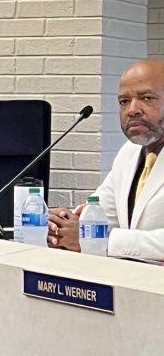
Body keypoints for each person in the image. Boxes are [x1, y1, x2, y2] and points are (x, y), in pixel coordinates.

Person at [48, 58, 164, 260]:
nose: (132, 110)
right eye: (124, 102)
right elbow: (101, 212)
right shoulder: (128, 152)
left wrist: (100, 239)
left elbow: (99, 234)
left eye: (146, 98)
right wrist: (62, 224)